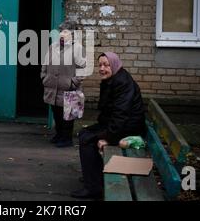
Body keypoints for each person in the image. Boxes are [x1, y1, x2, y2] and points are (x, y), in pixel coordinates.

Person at [71, 52, 146, 199]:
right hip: (119, 125)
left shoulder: (122, 83)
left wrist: (108, 138)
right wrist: (101, 130)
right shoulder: (113, 79)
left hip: (128, 128)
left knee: (87, 140)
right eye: (100, 65)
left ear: (115, 64)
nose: (102, 68)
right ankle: (93, 177)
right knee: (85, 133)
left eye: (106, 65)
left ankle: (93, 187)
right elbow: (108, 110)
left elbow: (121, 115)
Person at [40, 21, 86, 148]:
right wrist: (44, 77)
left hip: (68, 87)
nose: (62, 34)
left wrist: (73, 82)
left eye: (65, 31)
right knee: (56, 112)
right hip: (52, 86)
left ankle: (67, 139)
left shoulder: (78, 48)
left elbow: (82, 69)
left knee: (68, 114)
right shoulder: (53, 46)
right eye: (61, 31)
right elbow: (45, 63)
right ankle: (59, 135)